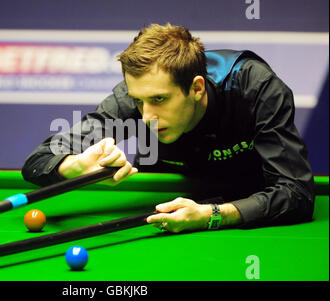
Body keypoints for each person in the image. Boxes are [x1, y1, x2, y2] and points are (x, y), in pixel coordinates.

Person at [22, 23, 315, 233]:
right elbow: (38, 161)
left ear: (196, 88)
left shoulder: (256, 88)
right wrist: (73, 166)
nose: (147, 116)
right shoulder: (134, 97)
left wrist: (213, 215)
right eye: (139, 101)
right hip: (162, 211)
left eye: (159, 99)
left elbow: (296, 193)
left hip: (245, 195)